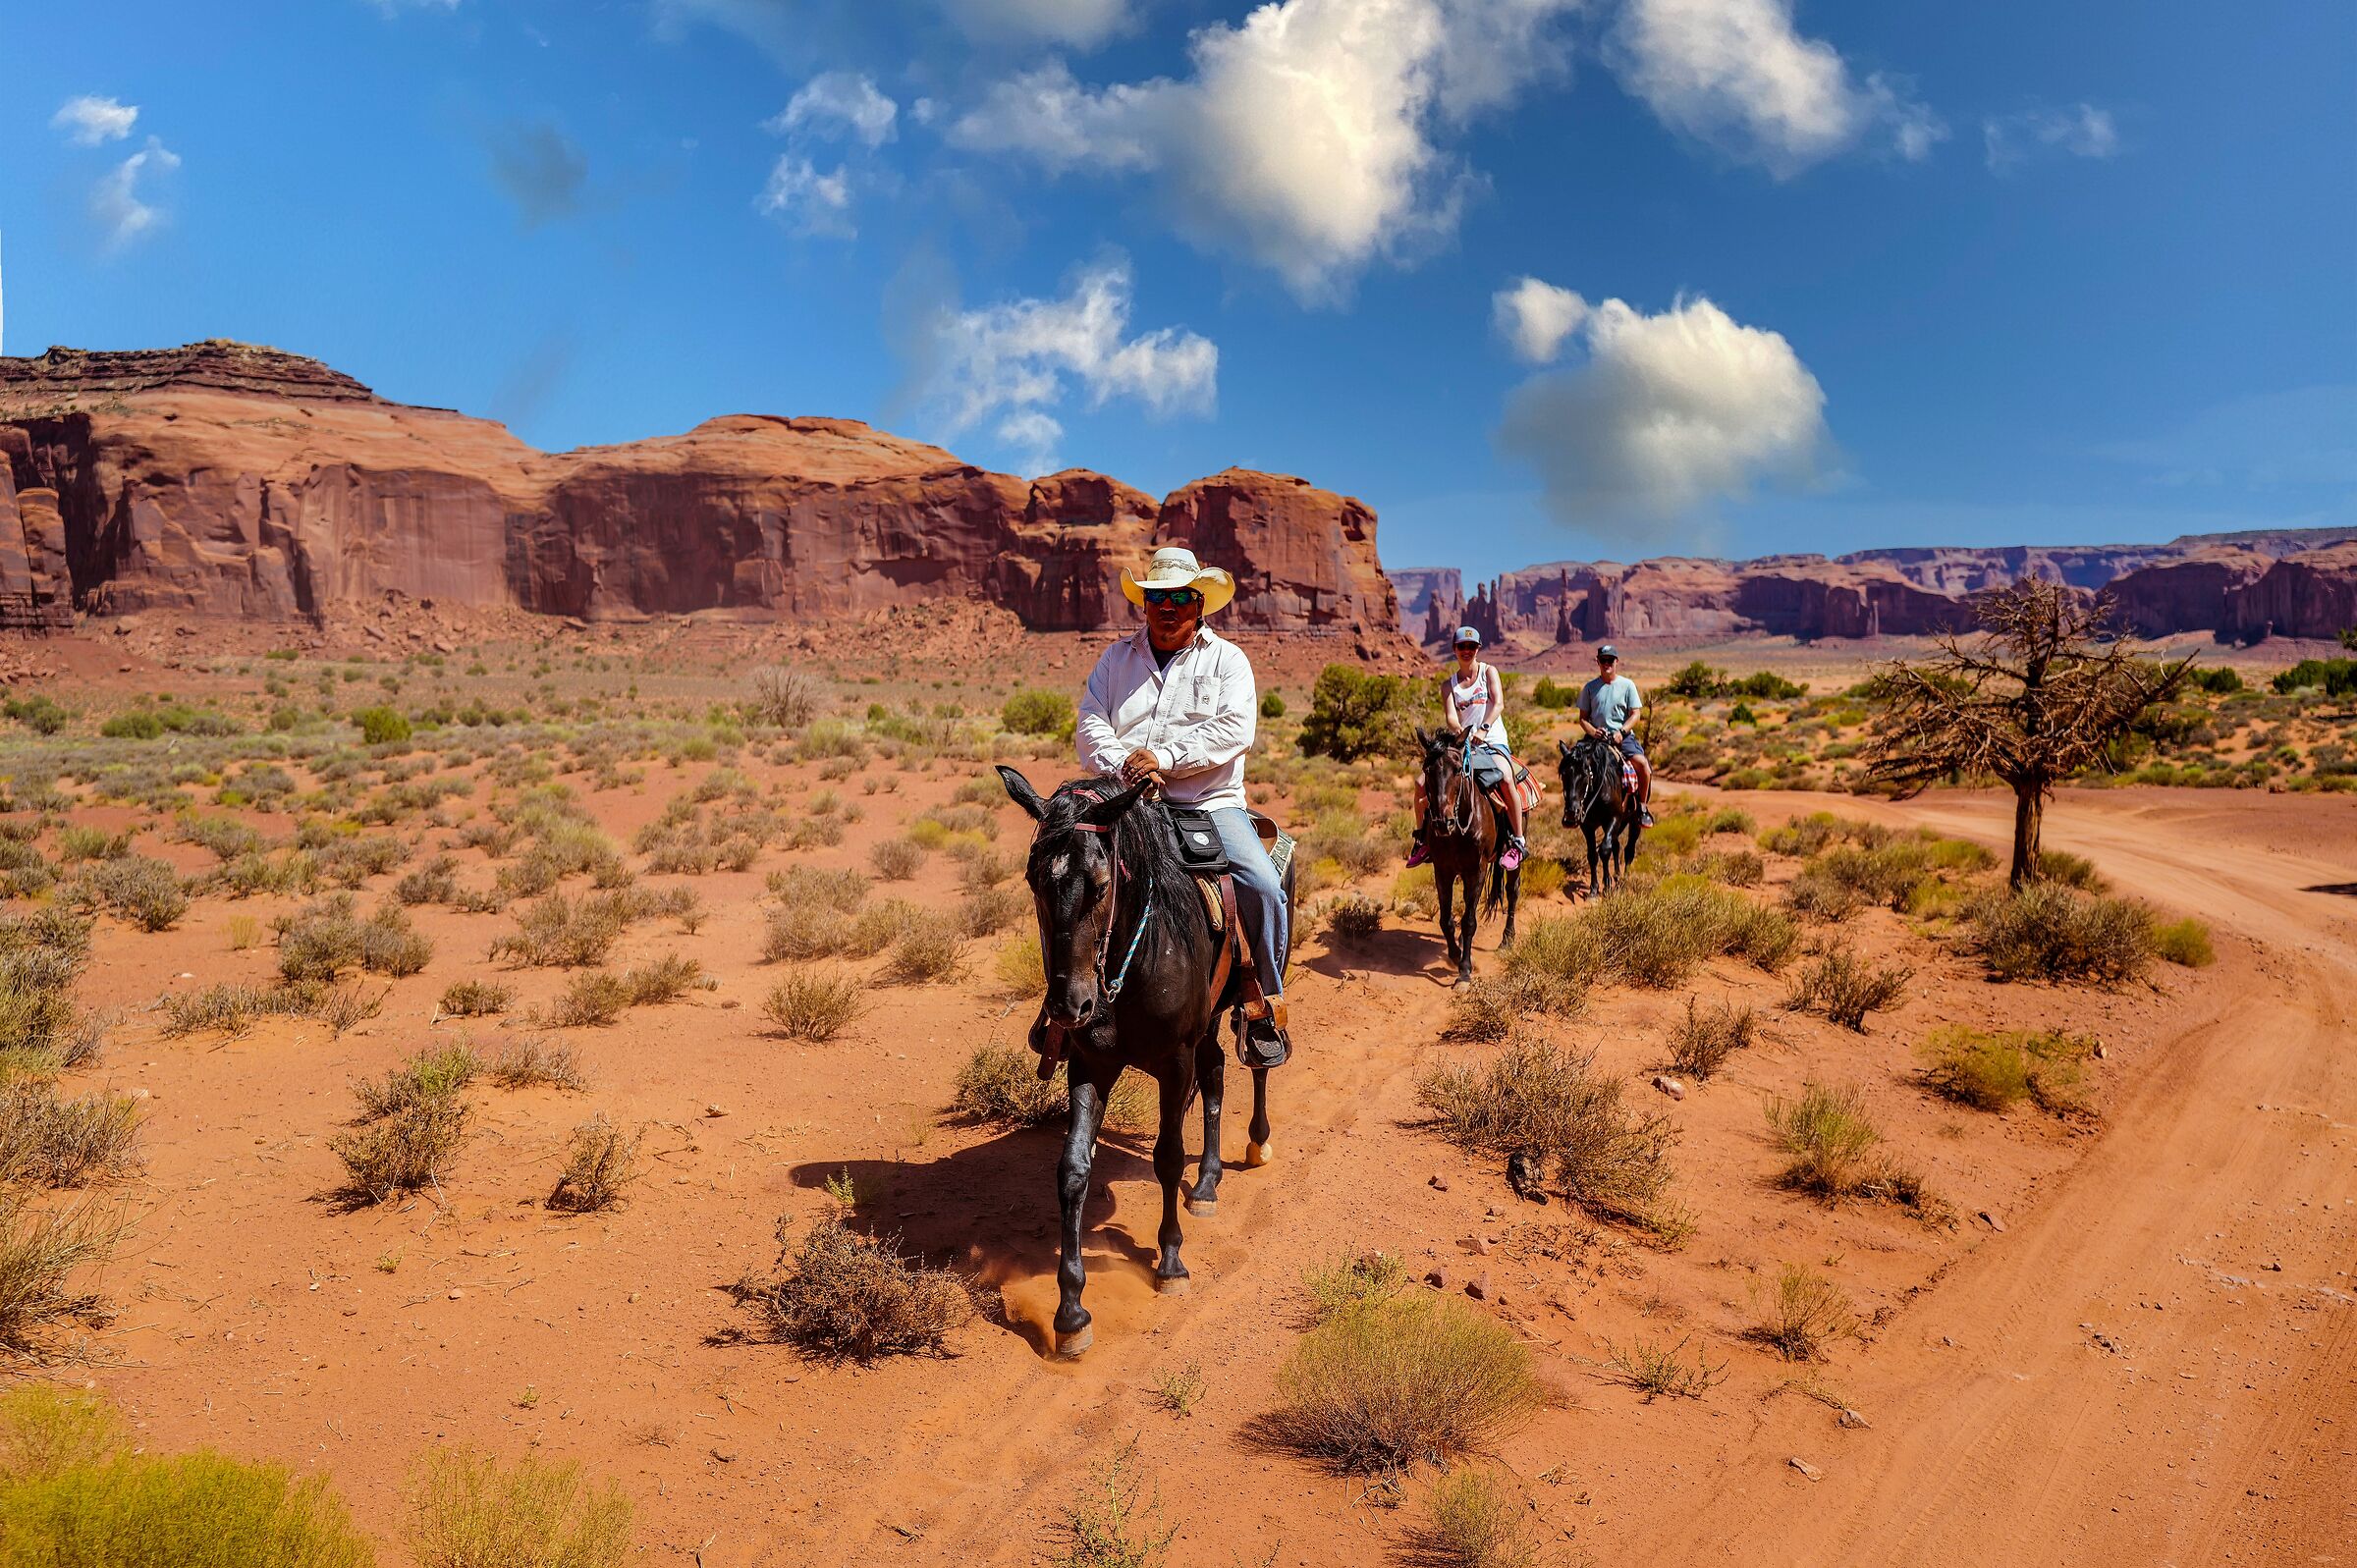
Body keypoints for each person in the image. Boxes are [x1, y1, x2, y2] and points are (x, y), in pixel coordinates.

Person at [1074, 546, 1290, 1069]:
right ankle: (1064, 1000)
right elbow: (1090, 722)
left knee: (1263, 885)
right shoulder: (1115, 659)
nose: (1167, 607)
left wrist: (1165, 759)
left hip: (1207, 804)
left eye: (1179, 598)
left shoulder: (1228, 660)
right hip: (1127, 799)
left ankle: (1263, 1004)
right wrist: (1129, 766)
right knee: (1067, 874)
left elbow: (1235, 729)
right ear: (1144, 604)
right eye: (1156, 597)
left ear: (1199, 604)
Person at [1406, 627, 1527, 870]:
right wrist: (1461, 733)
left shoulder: (1488, 672)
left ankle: (1518, 841)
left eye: (1471, 647)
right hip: (1463, 744)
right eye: (1462, 646)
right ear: (1454, 649)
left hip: (1493, 741)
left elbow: (1498, 704)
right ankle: (1422, 840)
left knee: (1506, 779)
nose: (1466, 651)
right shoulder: (1448, 686)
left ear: (1478, 649)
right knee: (1421, 784)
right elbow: (1451, 717)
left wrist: (1483, 729)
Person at [1578, 643, 1653, 826]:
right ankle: (1573, 808)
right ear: (1597, 662)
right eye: (1603, 660)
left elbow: (1636, 714)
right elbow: (1583, 718)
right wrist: (1593, 731)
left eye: (1610, 660)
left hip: (1622, 738)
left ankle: (1642, 808)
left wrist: (1622, 731)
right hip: (1596, 739)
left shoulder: (1627, 685)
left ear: (1616, 661)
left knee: (1643, 766)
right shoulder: (1590, 688)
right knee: (1573, 764)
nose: (1607, 663)